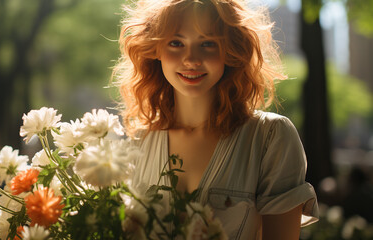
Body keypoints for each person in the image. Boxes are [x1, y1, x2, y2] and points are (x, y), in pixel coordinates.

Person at [113, 0, 319, 239]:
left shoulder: (270, 136)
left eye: (208, 43)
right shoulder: (138, 142)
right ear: (156, 49)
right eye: (176, 43)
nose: (191, 59)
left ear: (230, 50)